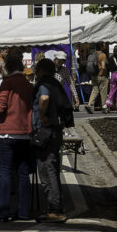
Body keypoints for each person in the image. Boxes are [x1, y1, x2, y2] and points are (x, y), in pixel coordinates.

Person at [0, 50, 35, 221]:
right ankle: (24, 211)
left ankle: (4, 211)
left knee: (5, 173)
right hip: (24, 133)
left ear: (7, 68)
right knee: (23, 174)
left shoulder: (7, 83)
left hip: (7, 133)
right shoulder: (28, 85)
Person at [31, 58, 71, 222]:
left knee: (47, 170)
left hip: (46, 132)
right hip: (55, 131)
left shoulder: (44, 85)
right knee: (52, 167)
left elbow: (44, 99)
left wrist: (42, 116)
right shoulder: (56, 84)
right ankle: (54, 207)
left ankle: (55, 209)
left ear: (40, 71)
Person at [85, 42, 110, 114]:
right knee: (103, 91)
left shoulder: (92, 54)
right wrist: (102, 75)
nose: (105, 46)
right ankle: (104, 107)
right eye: (104, 45)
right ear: (101, 47)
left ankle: (89, 105)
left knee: (95, 90)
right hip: (101, 75)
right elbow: (103, 67)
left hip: (93, 75)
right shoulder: (103, 55)